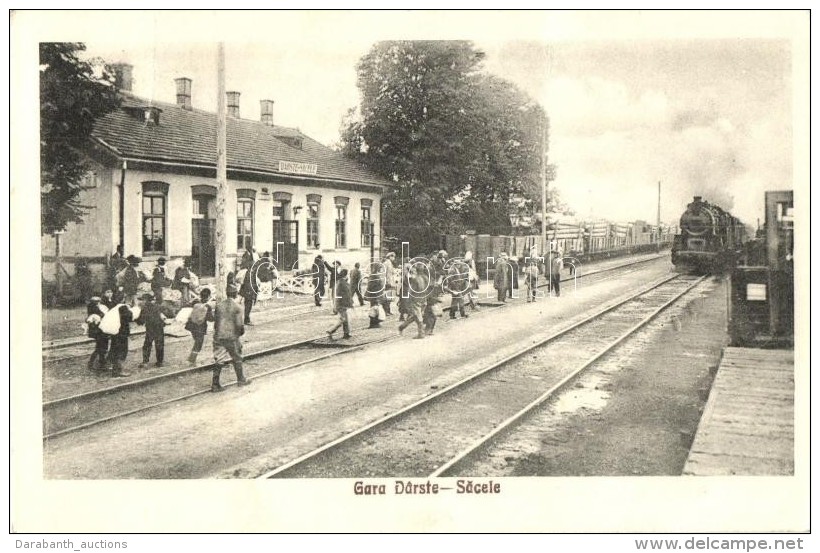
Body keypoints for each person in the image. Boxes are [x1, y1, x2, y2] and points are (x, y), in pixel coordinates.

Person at [211, 284, 250, 392]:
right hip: (231, 336)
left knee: (219, 359)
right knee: (237, 358)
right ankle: (241, 380)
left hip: (219, 335)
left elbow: (216, 322)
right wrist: (239, 335)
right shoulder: (238, 307)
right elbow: (239, 325)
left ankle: (215, 385)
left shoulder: (219, 305)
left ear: (226, 293)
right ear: (236, 294)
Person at [398, 263, 430, 339]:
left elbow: (411, 291)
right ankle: (421, 333)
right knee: (418, 316)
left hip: (417, 299)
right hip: (422, 299)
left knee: (416, 316)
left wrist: (409, 300)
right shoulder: (425, 277)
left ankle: (402, 327)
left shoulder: (416, 279)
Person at [135, 293, 167, 368]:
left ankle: (145, 362)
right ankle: (160, 362)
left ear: (145, 300)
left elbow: (141, 321)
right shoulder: (157, 306)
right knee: (159, 345)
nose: (141, 301)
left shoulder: (145, 308)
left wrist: (135, 319)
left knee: (147, 345)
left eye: (142, 300)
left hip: (151, 328)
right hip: (159, 327)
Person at [108, 291, 134, 377]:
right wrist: (130, 309)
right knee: (121, 351)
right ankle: (118, 371)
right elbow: (129, 317)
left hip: (114, 332)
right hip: (122, 332)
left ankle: (112, 366)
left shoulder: (112, 306)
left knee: (114, 349)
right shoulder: (123, 307)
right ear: (123, 299)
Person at [186, 288, 214, 365]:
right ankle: (192, 359)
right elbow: (211, 319)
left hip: (191, 325)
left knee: (196, 342)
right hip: (200, 327)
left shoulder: (195, 302)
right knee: (198, 344)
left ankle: (192, 358)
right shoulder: (207, 306)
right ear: (208, 296)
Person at [326, 269, 353, 340]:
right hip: (341, 304)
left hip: (340, 303)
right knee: (343, 319)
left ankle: (346, 333)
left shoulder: (340, 282)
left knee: (345, 319)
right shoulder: (342, 283)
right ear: (346, 275)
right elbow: (347, 295)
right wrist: (349, 304)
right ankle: (330, 330)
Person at [86, 296, 110, 371]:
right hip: (99, 331)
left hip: (100, 331)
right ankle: (93, 363)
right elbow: (101, 315)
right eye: (97, 302)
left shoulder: (94, 308)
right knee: (100, 348)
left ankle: (101, 363)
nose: (98, 303)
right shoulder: (94, 309)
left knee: (101, 348)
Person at [365, 260, 386, 328]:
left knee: (375, 308)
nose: (381, 269)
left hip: (376, 294)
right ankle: (373, 324)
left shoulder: (374, 275)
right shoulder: (375, 276)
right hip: (375, 295)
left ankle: (375, 323)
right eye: (380, 268)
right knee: (374, 308)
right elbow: (372, 286)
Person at [239, 260, 258, 325]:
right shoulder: (250, 274)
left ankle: (246, 319)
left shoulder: (250, 273)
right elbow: (250, 284)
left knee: (248, 306)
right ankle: (246, 320)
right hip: (249, 293)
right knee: (248, 307)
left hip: (248, 292)